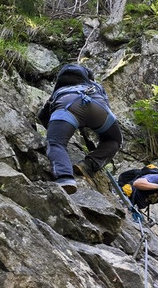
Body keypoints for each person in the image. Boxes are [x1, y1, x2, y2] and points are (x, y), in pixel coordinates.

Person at [37, 63, 122, 194]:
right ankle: (88, 165)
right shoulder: (94, 86)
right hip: (98, 106)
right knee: (113, 140)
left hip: (68, 104)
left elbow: (43, 116)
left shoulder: (60, 88)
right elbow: (106, 104)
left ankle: (65, 178)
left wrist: (57, 129)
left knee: (56, 142)